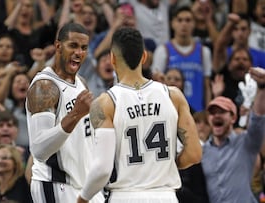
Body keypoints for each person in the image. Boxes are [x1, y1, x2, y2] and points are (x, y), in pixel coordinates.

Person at [77, 27, 202, 203]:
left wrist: (82, 198)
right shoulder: (173, 95)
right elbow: (194, 154)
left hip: (125, 195)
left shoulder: (105, 103)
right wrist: (166, 166)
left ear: (113, 58)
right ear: (144, 57)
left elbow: (103, 168)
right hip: (165, 195)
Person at [26, 22, 104, 202]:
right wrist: (75, 114)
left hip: (83, 185)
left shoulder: (81, 83)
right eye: (73, 46)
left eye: (84, 48)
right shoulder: (44, 87)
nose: (79, 53)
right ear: (58, 46)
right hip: (55, 184)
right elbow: (39, 149)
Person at [202, 67, 265, 203]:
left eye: (222, 112)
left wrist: (262, 88)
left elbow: (258, 119)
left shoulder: (246, 143)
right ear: (208, 119)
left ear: (233, 118)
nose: (216, 115)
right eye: (213, 113)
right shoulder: (202, 152)